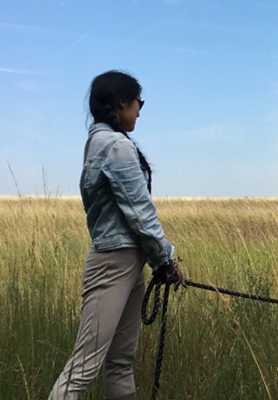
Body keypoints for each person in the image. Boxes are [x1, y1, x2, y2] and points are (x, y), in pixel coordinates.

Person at [49, 70, 185, 400]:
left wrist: (156, 261)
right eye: (139, 102)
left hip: (124, 261)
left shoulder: (100, 142)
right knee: (83, 369)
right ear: (122, 102)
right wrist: (166, 260)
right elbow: (140, 212)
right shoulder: (115, 146)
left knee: (120, 363)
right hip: (115, 263)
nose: (140, 109)